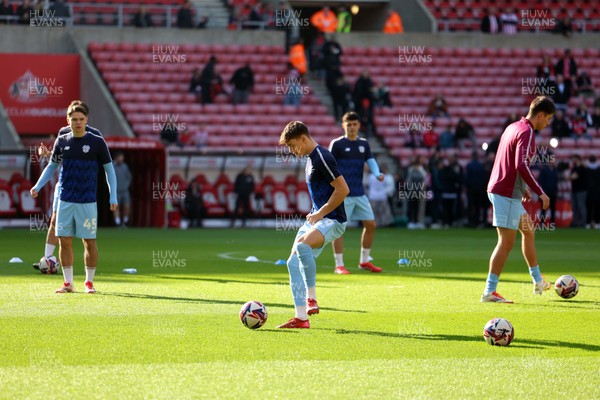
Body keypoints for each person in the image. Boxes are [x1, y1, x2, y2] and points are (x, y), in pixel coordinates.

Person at [30, 101, 118, 294]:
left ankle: (89, 282)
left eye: (81, 119)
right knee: (64, 240)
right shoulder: (62, 141)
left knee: (89, 242)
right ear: (67, 121)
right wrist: (37, 185)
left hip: (87, 201)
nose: (78, 122)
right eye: (74, 119)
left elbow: (109, 170)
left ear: (86, 120)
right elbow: (52, 166)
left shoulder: (96, 142)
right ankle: (68, 283)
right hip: (65, 200)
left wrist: (113, 196)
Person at [277, 121, 349, 328]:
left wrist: (320, 213)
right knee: (292, 263)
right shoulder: (310, 159)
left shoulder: (322, 157)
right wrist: (316, 215)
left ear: (303, 138)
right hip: (317, 218)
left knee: (302, 247)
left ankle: (312, 299)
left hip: (333, 220)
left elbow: (343, 189)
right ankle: (301, 318)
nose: (291, 151)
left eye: (292, 145)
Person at [483, 96, 554, 303]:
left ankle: (538, 281)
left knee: (528, 230)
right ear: (540, 115)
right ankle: (489, 291)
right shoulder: (527, 132)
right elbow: (521, 165)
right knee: (505, 243)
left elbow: (507, 159)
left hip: (505, 189)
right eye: (548, 118)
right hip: (505, 192)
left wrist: (522, 188)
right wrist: (540, 191)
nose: (548, 123)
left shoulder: (513, 127)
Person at [328, 111, 384, 275]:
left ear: (359, 125)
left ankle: (364, 261)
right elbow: (330, 166)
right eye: (349, 124)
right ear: (343, 126)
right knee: (339, 228)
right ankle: (339, 264)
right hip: (342, 193)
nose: (351, 127)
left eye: (354, 124)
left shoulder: (364, 144)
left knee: (371, 225)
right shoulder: (337, 144)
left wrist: (377, 173)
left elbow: (371, 161)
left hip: (359, 192)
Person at [112, 152, 131, 227]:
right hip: (115, 191)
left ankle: (125, 221)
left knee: (127, 206)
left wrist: (126, 185)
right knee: (116, 207)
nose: (121, 159)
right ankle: (117, 222)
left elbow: (129, 177)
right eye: (120, 158)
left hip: (125, 191)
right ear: (116, 158)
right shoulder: (112, 166)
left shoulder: (125, 166)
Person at [570, 154, 587, 228]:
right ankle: (575, 222)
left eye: (574, 159)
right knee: (575, 207)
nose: (573, 160)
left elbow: (573, 177)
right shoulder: (574, 168)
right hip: (574, 190)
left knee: (581, 207)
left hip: (581, 190)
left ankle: (583, 223)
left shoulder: (581, 168)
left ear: (577, 159)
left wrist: (567, 176)